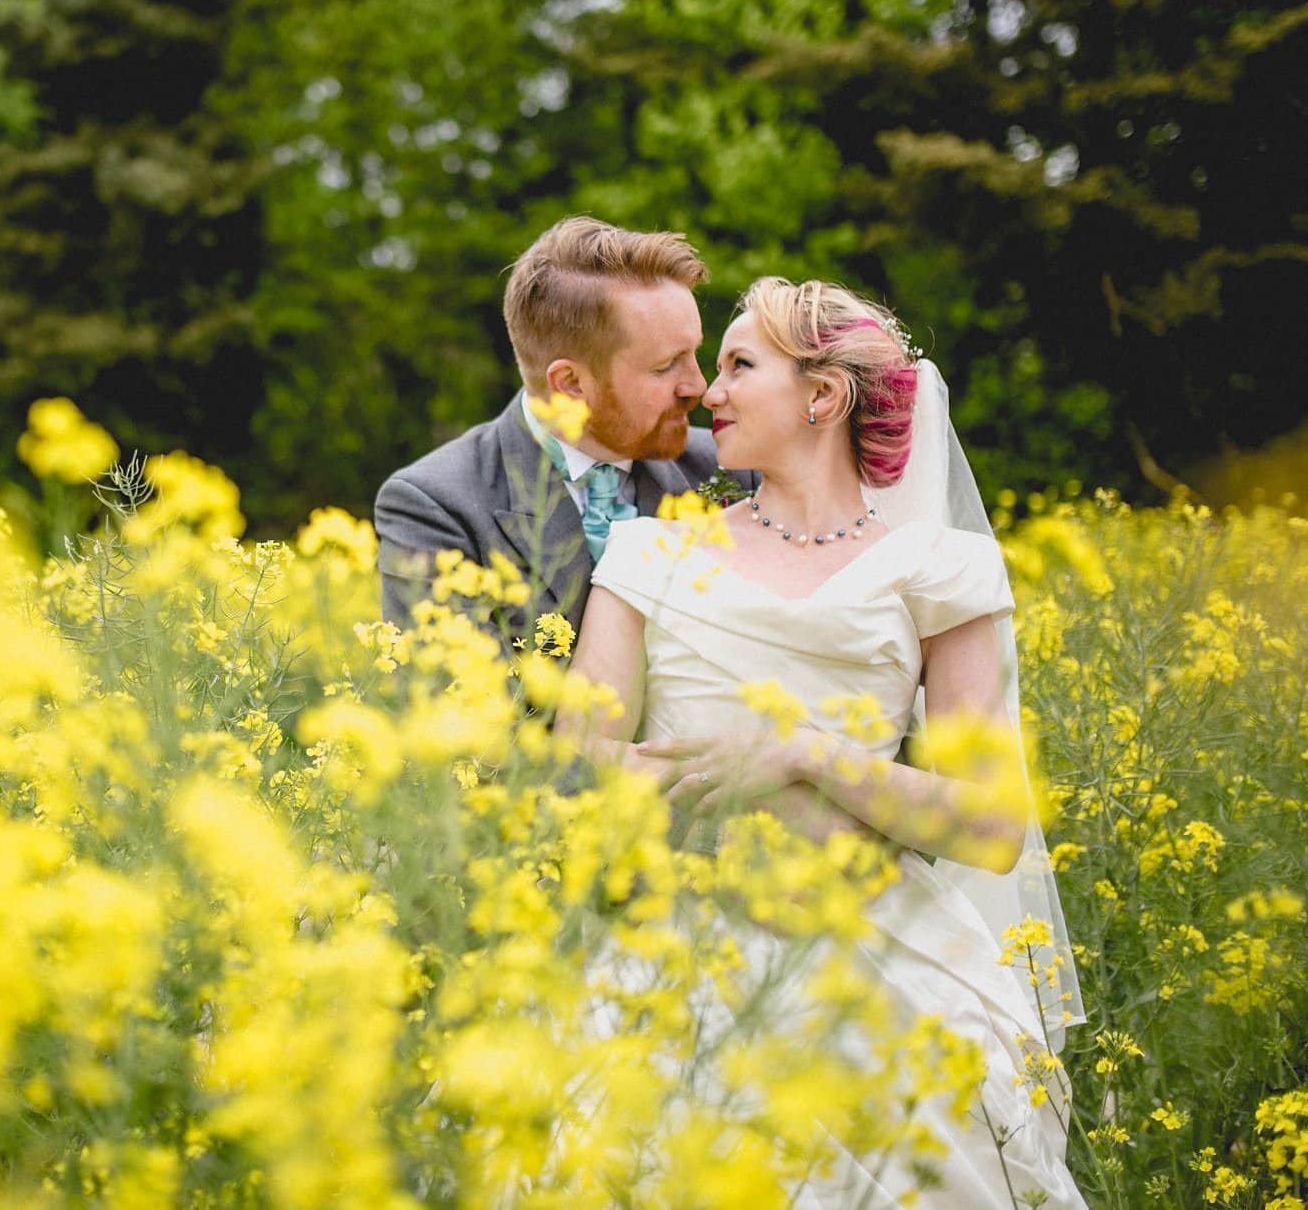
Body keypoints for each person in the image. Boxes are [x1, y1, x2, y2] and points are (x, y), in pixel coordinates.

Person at [567, 277, 1087, 1206]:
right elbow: (574, 767)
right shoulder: (647, 555)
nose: (706, 392)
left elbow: (992, 824)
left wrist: (803, 756)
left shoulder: (943, 568)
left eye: (738, 366)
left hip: (884, 961)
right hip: (682, 951)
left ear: (822, 395)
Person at [374, 216, 754, 644]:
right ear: (570, 384)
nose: (699, 388)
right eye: (666, 365)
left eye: (694, 354)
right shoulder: (435, 507)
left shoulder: (738, 468)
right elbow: (458, 704)